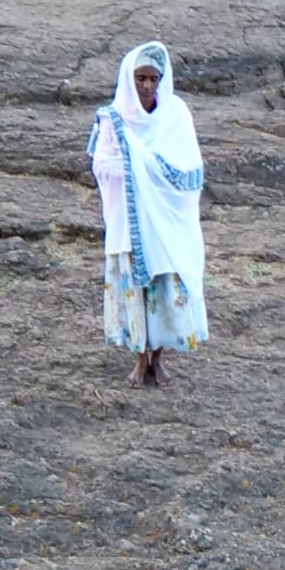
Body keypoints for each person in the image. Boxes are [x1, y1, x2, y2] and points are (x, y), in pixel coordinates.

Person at [90, 40, 206, 389]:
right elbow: (102, 164)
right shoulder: (113, 118)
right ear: (129, 78)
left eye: (153, 79)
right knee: (136, 289)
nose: (147, 86)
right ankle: (140, 360)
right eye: (140, 78)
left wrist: (145, 167)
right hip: (130, 220)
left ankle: (159, 359)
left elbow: (190, 169)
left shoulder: (176, 116)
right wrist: (133, 168)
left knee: (163, 286)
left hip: (166, 223)